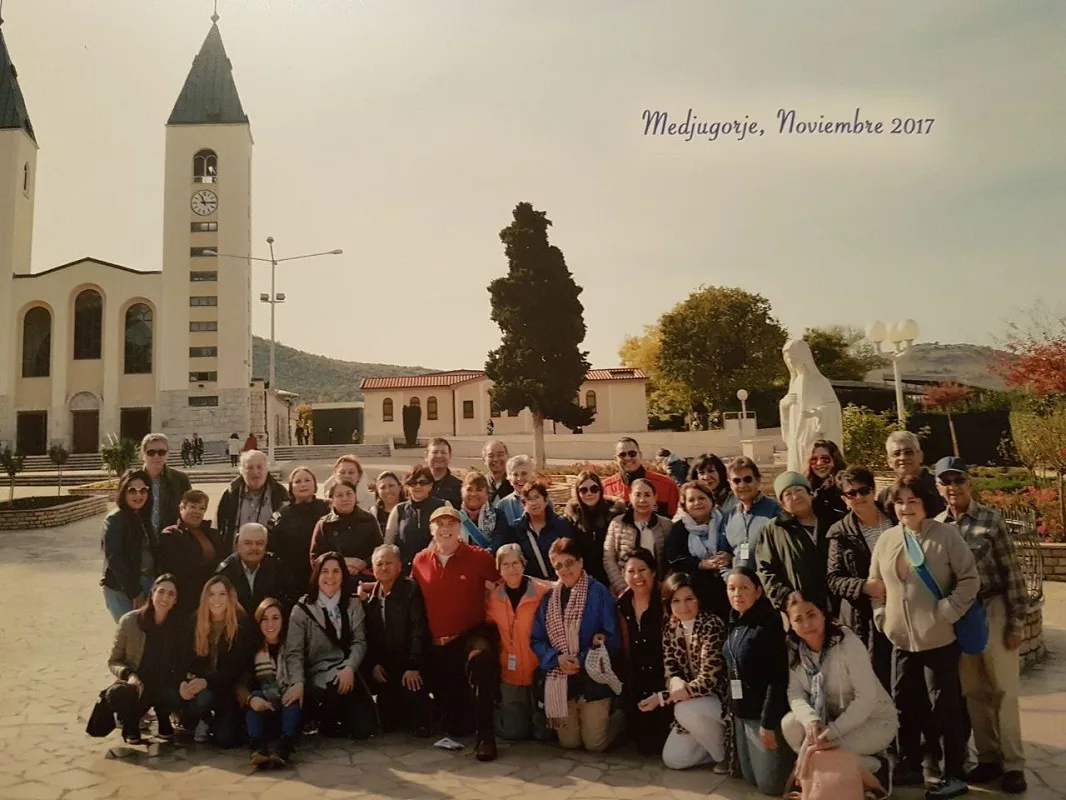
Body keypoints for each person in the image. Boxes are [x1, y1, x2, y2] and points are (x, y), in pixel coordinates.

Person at [870, 475, 979, 797]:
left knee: (944, 708)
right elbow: (876, 583)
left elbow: (970, 580)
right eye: (900, 501)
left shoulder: (946, 537)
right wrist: (881, 615)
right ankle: (910, 765)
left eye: (912, 501)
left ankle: (954, 772)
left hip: (939, 641)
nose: (905, 507)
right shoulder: (888, 539)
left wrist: (948, 611)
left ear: (925, 503)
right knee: (904, 704)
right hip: (901, 641)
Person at [934, 457, 1028, 795]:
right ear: (938, 488)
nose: (953, 488)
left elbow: (1012, 572)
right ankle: (988, 759)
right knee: (974, 692)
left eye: (958, 480)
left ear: (969, 483)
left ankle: (1013, 764)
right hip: (961, 615)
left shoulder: (990, 519)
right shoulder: (936, 527)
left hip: (993, 607)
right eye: (946, 482)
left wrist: (1016, 621)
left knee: (1003, 690)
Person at [780, 590, 896, 796]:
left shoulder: (847, 644)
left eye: (811, 614)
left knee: (824, 750)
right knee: (789, 725)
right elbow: (794, 693)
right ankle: (846, 773)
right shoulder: (795, 651)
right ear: (790, 623)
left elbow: (866, 699)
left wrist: (830, 732)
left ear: (823, 614)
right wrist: (811, 721)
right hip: (829, 720)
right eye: (798, 619)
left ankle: (877, 767)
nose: (807, 624)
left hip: (873, 720)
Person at [411, 506, 501, 761]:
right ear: (432, 530)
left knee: (480, 658)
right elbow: (408, 593)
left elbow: (504, 583)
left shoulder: (479, 557)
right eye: (440, 524)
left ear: (459, 528)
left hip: (469, 637)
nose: (446, 529)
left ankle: (486, 738)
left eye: (451, 523)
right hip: (437, 645)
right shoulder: (420, 560)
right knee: (456, 727)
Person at [531, 537, 624, 753]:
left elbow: (613, 637)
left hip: (593, 679)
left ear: (581, 562)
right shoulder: (549, 598)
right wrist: (557, 658)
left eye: (570, 562)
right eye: (558, 566)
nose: (565, 570)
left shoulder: (598, 592)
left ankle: (620, 716)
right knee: (569, 743)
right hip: (562, 678)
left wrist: (581, 660)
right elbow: (537, 639)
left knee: (595, 744)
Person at [640, 572, 729, 771]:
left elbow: (709, 680)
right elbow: (670, 669)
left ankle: (726, 757)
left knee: (684, 709)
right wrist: (675, 683)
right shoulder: (671, 628)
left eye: (689, 599)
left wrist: (663, 698)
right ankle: (715, 745)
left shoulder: (712, 625)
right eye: (676, 601)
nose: (684, 607)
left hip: (717, 702)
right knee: (674, 759)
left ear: (699, 599)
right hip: (690, 703)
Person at [284, 552, 377, 739]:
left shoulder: (352, 604)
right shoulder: (302, 609)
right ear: (317, 575)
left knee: (365, 730)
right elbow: (294, 653)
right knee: (333, 699)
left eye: (336, 571)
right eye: (324, 571)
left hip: (347, 671)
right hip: (318, 675)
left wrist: (350, 667)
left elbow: (359, 642)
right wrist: (298, 682)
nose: (330, 577)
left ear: (343, 576)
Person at [723, 568, 795, 796]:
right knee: (748, 777)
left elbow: (778, 678)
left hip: (762, 715)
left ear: (758, 591)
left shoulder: (768, 624)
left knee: (770, 786)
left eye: (744, 588)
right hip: (741, 712)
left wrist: (767, 723)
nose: (737, 594)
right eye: (731, 588)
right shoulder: (736, 620)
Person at [825, 466, 894, 692]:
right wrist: (864, 587)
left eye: (863, 491)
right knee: (877, 679)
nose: (858, 497)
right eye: (851, 494)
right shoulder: (840, 533)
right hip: (867, 618)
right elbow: (833, 579)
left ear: (873, 491)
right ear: (845, 499)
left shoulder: (895, 519)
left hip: (905, 608)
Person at [102, 574, 187, 744]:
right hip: (138, 684)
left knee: (176, 692)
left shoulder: (179, 626)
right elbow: (114, 661)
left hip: (164, 684)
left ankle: (164, 716)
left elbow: (182, 661)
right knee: (118, 694)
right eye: (161, 591)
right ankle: (130, 721)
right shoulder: (129, 621)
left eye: (171, 594)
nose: (165, 598)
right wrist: (129, 674)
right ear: (152, 593)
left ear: (176, 600)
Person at [360, 544, 433, 737]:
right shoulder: (371, 598)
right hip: (386, 666)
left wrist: (413, 665)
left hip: (411, 664)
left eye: (389, 563)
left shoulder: (411, 590)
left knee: (419, 718)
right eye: (379, 564)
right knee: (389, 724)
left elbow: (418, 631)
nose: (384, 568)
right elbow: (371, 637)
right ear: (373, 569)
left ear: (399, 566)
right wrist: (374, 664)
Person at [485, 543, 552, 741]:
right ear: (499, 569)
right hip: (510, 674)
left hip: (539, 672)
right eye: (505, 564)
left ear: (523, 565)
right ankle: (494, 713)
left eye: (515, 563)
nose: (511, 569)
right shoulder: (494, 598)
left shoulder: (543, 592)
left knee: (544, 735)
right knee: (514, 732)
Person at [185, 575, 258, 747]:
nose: (216, 600)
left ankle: (218, 720)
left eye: (222, 594)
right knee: (201, 700)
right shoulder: (195, 620)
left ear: (230, 596)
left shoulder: (241, 622)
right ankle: (202, 717)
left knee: (226, 740)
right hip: (205, 686)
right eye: (211, 594)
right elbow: (188, 659)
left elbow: (236, 668)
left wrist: (207, 681)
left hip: (229, 687)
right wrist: (192, 679)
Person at [616, 548, 672, 755]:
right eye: (631, 571)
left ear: (654, 572)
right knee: (644, 747)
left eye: (643, 570)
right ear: (624, 575)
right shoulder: (621, 604)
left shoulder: (667, 600)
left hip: (664, 682)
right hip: (636, 684)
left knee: (662, 746)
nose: (637, 577)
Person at [755, 472, 833, 615]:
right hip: (801, 610)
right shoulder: (774, 529)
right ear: (782, 503)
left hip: (839, 603)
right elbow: (766, 570)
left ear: (810, 494)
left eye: (799, 490)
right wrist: (785, 598)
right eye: (788, 494)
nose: (795, 497)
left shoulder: (832, 519)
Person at [237, 598, 301, 768]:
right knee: (255, 696)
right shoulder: (252, 649)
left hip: (287, 713)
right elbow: (240, 684)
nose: (270, 624)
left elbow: (299, 674)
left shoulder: (291, 647)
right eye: (265, 619)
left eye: (275, 618)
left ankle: (283, 750)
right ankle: (258, 749)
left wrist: (296, 688)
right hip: (264, 710)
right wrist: (251, 700)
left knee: (292, 696)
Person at [665, 480, 733, 621]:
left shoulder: (726, 521)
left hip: (726, 589)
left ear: (711, 500)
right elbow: (674, 559)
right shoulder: (679, 529)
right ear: (684, 506)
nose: (697, 503)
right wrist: (701, 564)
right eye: (691, 500)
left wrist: (729, 556)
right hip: (696, 593)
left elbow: (737, 545)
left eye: (702, 498)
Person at [101, 468, 157, 622]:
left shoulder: (144, 517)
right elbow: (115, 560)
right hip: (122, 588)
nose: (138, 495)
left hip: (148, 584)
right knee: (132, 635)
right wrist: (135, 592)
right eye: (132, 490)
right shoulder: (115, 520)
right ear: (123, 492)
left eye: (143, 490)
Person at [157, 489, 224, 616]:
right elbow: (181, 568)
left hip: (214, 597)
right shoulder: (170, 534)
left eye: (201, 508)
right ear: (182, 507)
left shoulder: (213, 533)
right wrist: (214, 570)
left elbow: (224, 560)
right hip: (187, 599)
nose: (197, 512)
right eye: (193, 507)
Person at [309, 479, 383, 589]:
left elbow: (380, 550)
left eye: (349, 494)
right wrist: (341, 562)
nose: (345, 498)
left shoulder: (368, 520)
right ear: (332, 500)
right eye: (339, 495)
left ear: (355, 496)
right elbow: (315, 558)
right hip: (333, 582)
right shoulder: (324, 524)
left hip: (365, 580)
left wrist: (363, 563)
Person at [267, 466, 331, 594]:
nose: (303, 484)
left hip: (324, 573)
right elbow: (272, 545)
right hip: (291, 576)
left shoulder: (327, 508)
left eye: (307, 480)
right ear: (291, 487)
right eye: (298, 481)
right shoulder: (282, 514)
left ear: (315, 485)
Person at [603, 477, 671, 595]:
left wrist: (665, 585)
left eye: (647, 495)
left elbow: (672, 559)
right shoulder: (617, 523)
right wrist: (621, 587)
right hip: (624, 591)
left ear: (655, 498)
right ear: (630, 497)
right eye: (637, 495)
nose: (642, 500)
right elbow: (609, 558)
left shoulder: (666, 525)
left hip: (658, 592)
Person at [216, 523, 298, 617]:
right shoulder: (224, 572)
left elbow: (291, 596)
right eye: (248, 543)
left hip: (268, 625)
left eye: (259, 543)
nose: (254, 548)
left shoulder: (275, 565)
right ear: (238, 544)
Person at [562, 470, 626, 587]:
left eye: (594, 488)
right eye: (583, 490)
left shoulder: (614, 515)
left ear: (600, 490)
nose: (589, 493)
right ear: (578, 493)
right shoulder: (572, 518)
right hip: (583, 580)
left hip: (613, 578)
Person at [217, 450, 289, 552]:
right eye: (249, 468)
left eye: (259, 467)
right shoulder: (230, 494)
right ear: (241, 471)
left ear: (267, 469)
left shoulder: (280, 493)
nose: (255, 472)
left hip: (270, 558)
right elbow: (221, 527)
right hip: (237, 556)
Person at [384, 465, 446, 574]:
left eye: (423, 482)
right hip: (406, 572)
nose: (418, 486)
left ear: (430, 485)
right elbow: (388, 543)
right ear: (407, 486)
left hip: (437, 568)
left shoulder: (443, 505)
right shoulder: (399, 510)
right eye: (413, 483)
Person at [721, 457, 780, 571]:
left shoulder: (775, 510)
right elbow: (724, 556)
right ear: (730, 484)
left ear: (758, 481)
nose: (742, 485)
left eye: (747, 479)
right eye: (736, 481)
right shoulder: (728, 517)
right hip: (739, 586)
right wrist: (729, 578)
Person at [876, 431, 945, 524]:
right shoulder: (885, 496)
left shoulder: (941, 486)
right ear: (889, 461)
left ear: (920, 456)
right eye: (896, 454)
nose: (903, 457)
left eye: (908, 452)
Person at [600, 437, 680, 517]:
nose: (627, 458)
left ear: (640, 455)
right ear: (615, 459)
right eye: (622, 455)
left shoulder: (667, 485)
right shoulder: (604, 488)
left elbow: (676, 519)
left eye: (632, 454)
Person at [512, 481, 576, 579]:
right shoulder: (517, 528)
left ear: (545, 500)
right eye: (529, 499)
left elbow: (571, 555)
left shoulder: (561, 524)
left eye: (537, 497)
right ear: (524, 505)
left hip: (562, 582)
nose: (534, 503)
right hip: (533, 586)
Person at [140, 433, 192, 537]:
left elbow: (188, 511)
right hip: (140, 543)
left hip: (171, 541)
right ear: (143, 454)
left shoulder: (180, 479)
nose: (156, 456)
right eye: (151, 452)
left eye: (161, 452)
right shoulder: (133, 479)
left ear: (167, 454)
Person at [495, 454, 553, 526]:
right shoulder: (503, 505)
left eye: (524, 473)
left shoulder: (544, 501)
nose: (519, 478)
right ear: (509, 479)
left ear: (532, 476)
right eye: (515, 475)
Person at [458, 471, 510, 551]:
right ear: (462, 491)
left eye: (479, 490)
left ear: (487, 493)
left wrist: (482, 556)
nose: (473, 494)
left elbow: (498, 542)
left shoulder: (498, 515)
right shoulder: (454, 516)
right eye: (469, 489)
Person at [806, 439, 848, 520]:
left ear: (835, 460)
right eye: (814, 460)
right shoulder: (807, 488)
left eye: (825, 459)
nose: (819, 463)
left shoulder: (847, 486)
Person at [687, 453, 736, 517]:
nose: (706, 477)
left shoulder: (733, 497)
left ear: (720, 473)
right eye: (701, 473)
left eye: (711, 471)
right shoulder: (692, 500)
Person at [426, 437, 463, 508]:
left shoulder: (459, 487)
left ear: (450, 456)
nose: (439, 456)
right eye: (435, 452)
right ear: (426, 456)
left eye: (443, 452)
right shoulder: (416, 485)